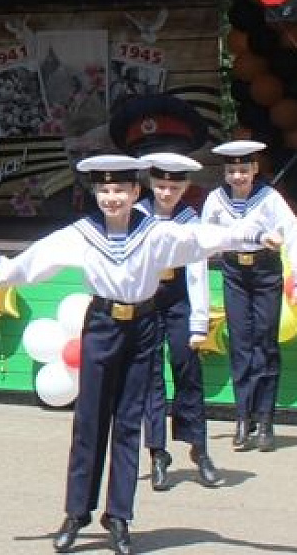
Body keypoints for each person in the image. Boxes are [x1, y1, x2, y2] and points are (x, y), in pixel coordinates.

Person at [0, 155, 281, 555]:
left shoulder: (156, 232)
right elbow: (35, 258)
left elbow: (204, 238)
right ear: (96, 193)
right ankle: (77, 514)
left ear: (135, 193)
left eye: (119, 190)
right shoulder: (82, 233)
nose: (111, 198)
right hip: (102, 327)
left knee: (129, 423)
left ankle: (119, 517)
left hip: (143, 328)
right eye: (104, 190)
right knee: (89, 422)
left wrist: (256, 235)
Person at [199, 140, 297, 453]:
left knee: (265, 342)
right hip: (234, 274)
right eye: (232, 170)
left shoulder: (269, 197)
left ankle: (266, 418)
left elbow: (291, 230)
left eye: (244, 169)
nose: (238, 176)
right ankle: (243, 418)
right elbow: (205, 236)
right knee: (241, 342)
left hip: (266, 272)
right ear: (225, 172)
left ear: (255, 169)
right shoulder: (215, 199)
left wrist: (294, 272)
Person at [135, 153, 221, 490]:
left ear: (185, 187)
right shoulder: (137, 216)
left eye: (173, 186)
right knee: (150, 375)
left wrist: (199, 322)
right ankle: (158, 452)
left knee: (187, 368)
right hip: (146, 300)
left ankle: (199, 447)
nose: (166, 192)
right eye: (160, 185)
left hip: (180, 298)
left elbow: (198, 271)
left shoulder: (190, 219)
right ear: (150, 184)